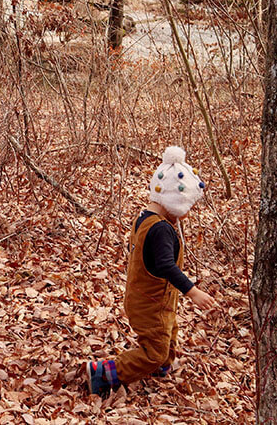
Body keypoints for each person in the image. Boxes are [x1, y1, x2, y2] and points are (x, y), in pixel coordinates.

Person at [85, 146, 219, 396]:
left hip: (148, 298)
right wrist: (193, 292)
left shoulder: (145, 218)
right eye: (186, 206)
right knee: (156, 348)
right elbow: (166, 265)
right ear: (174, 202)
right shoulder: (161, 230)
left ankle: (160, 366)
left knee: (169, 331)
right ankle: (105, 372)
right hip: (150, 302)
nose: (187, 214)